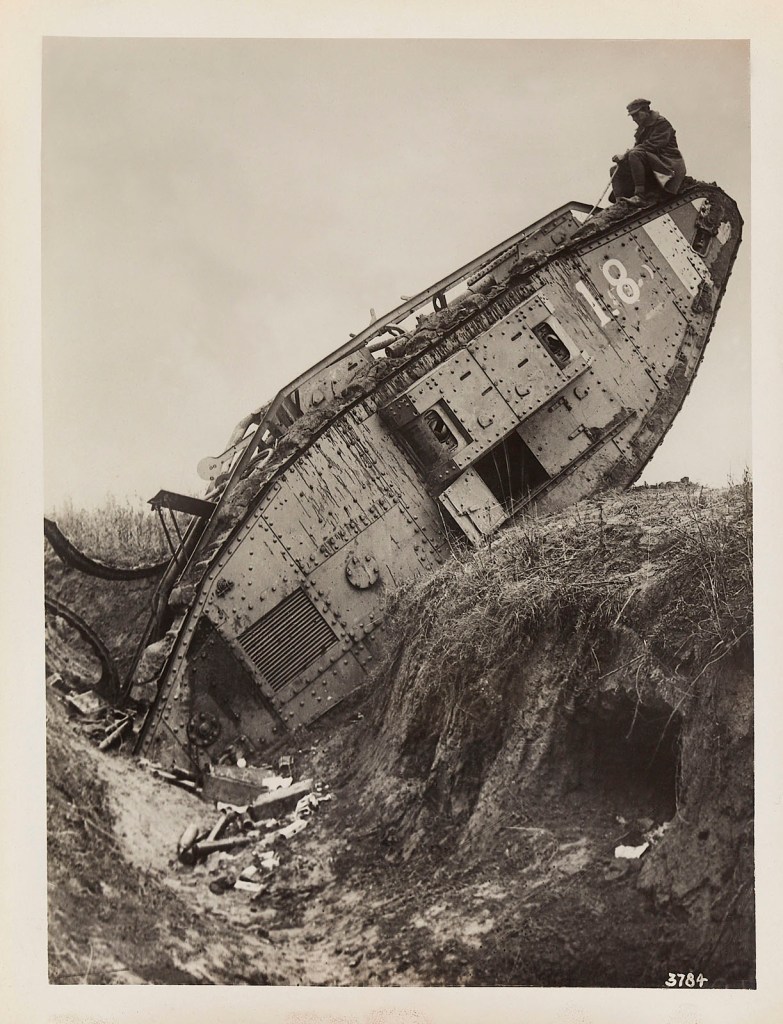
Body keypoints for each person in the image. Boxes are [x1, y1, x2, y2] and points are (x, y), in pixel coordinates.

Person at [608, 99, 687, 205]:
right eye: (632, 116)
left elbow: (652, 145)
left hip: (667, 164)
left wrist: (625, 155)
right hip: (653, 163)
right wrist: (624, 159)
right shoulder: (642, 129)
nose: (634, 119)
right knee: (615, 169)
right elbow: (639, 148)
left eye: (636, 115)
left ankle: (639, 196)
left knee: (634, 155)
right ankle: (619, 203)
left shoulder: (662, 124)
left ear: (646, 110)